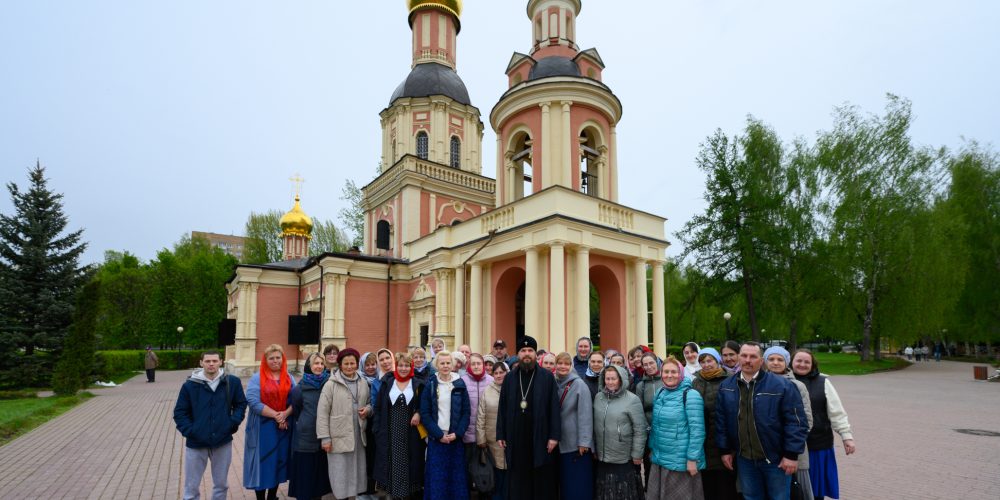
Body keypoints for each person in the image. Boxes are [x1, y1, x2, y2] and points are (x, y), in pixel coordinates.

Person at [716, 342, 808, 500]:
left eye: (753, 356)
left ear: (761, 360)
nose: (747, 360)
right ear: (738, 357)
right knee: (751, 497)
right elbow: (721, 420)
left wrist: (791, 455)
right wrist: (724, 450)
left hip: (776, 460)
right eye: (744, 356)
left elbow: (796, 422)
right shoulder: (726, 387)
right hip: (744, 460)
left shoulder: (783, 386)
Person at [173, 350, 247, 500]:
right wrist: (191, 431)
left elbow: (240, 404)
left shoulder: (231, 382)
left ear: (221, 362)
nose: (211, 364)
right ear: (201, 363)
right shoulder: (190, 385)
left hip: (222, 441)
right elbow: (180, 412)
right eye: (207, 361)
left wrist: (232, 423)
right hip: (196, 442)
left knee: (221, 484)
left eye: (214, 361)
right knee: (191, 486)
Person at [496, 335, 561, 500]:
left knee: (540, 478)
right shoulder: (510, 377)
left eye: (530, 350)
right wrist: (501, 434)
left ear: (535, 354)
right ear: (518, 354)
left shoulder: (547, 377)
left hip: (539, 435)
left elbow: (554, 408)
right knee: (518, 478)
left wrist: (554, 436)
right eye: (523, 350)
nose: (527, 354)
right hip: (515, 436)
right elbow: (502, 407)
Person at [792, 350, 855, 500]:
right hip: (790, 446)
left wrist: (847, 436)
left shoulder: (823, 382)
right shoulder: (781, 380)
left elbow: (836, 412)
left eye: (807, 362)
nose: (802, 364)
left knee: (815, 490)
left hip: (817, 445)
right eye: (799, 361)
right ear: (791, 362)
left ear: (812, 365)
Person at [647, 356, 705, 500]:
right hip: (660, 459)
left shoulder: (691, 395)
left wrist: (692, 459)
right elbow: (656, 426)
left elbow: (697, 431)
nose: (669, 375)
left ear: (681, 373)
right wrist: (653, 450)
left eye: (674, 372)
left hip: (680, 461)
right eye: (666, 372)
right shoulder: (660, 393)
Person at [317, 348, 372, 500]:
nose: (349, 367)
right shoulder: (331, 384)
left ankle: (353, 497)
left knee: (356, 470)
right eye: (346, 363)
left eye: (352, 363)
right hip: (337, 435)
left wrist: (367, 409)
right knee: (340, 471)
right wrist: (325, 438)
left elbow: (369, 403)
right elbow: (322, 413)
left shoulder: (363, 382)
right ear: (340, 365)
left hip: (358, 434)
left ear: (356, 364)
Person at [244, 345, 296, 500]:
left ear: (282, 359)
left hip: (283, 427)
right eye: (271, 358)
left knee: (279, 461)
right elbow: (253, 402)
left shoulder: (289, 377)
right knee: (262, 461)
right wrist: (277, 416)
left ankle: (272, 496)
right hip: (262, 428)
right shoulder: (257, 378)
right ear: (266, 360)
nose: (275, 361)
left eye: (278, 358)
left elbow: (296, 399)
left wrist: (285, 414)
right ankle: (260, 497)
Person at [373, 352, 426, 499]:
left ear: (411, 367)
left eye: (407, 366)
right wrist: (377, 429)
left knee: (410, 460)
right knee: (393, 459)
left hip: (411, 431)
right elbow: (377, 407)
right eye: (401, 365)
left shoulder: (418, 384)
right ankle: (395, 493)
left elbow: (425, 405)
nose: (403, 368)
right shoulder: (387, 382)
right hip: (390, 429)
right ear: (396, 366)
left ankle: (407, 493)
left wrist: (418, 413)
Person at [420, 351, 472, 500]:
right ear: (437, 365)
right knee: (437, 479)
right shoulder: (430, 384)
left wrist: (458, 433)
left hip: (455, 439)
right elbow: (425, 413)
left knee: (456, 479)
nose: (445, 366)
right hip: (438, 440)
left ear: (453, 364)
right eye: (442, 363)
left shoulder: (460, 384)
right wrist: (438, 435)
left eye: (448, 363)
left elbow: (466, 412)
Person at [765, 346, 815, 500]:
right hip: (766, 449)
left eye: (780, 359)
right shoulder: (758, 382)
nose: (775, 363)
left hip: (790, 449)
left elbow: (806, 420)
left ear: (787, 362)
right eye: (771, 359)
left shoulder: (797, 386)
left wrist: (791, 445)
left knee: (792, 491)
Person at [690, 347, 739, 500]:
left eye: (709, 360)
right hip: (704, 441)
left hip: (723, 440)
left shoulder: (730, 379)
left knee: (725, 485)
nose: (706, 365)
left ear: (717, 361)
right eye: (702, 362)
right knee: (707, 485)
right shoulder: (696, 382)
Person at [593, 364, 646, 500]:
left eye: (613, 379)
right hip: (602, 456)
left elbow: (640, 429)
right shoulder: (599, 398)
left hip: (623, 457)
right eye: (607, 379)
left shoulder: (632, 399)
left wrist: (637, 454)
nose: (610, 382)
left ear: (621, 380)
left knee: (623, 493)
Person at [287, 353, 333, 499]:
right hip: (306, 438)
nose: (319, 366)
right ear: (309, 365)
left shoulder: (329, 384)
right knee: (305, 477)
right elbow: (297, 409)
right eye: (316, 363)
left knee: (318, 478)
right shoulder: (299, 389)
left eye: (321, 363)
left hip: (324, 436)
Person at [553, 352, 594, 499]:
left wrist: (584, 441)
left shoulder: (579, 385)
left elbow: (586, 415)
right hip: (558, 442)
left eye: (566, 363)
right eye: (560, 363)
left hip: (574, 445)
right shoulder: (553, 382)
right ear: (555, 365)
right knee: (564, 484)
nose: (563, 366)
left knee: (576, 485)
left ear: (571, 366)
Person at [462, 353, 494, 498]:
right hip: (467, 434)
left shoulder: (491, 381)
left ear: (483, 365)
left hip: (486, 436)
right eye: (473, 363)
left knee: (485, 471)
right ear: (468, 365)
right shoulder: (462, 381)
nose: (476, 366)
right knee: (468, 470)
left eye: (478, 363)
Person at [477, 361, 509, 500]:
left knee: (509, 472)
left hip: (510, 439)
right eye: (495, 373)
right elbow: (481, 416)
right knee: (496, 472)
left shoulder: (513, 388)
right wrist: (481, 439)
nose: (498, 375)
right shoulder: (487, 391)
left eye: (501, 372)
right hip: (492, 440)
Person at [633, 351, 661, 487]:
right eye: (645, 365)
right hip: (649, 431)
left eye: (651, 363)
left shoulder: (666, 379)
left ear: (657, 362)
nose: (649, 367)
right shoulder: (641, 386)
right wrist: (647, 427)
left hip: (666, 430)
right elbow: (638, 410)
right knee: (650, 466)